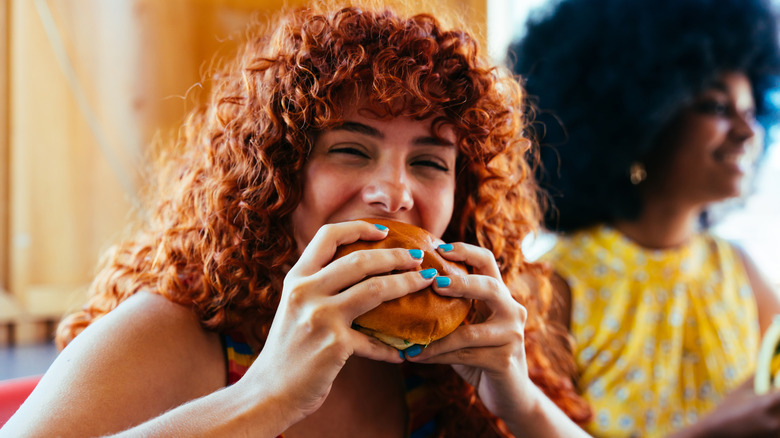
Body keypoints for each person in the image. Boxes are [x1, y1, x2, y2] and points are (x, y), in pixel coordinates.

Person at [1, 3, 592, 437]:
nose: (393, 192)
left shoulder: (452, 358)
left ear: (462, 194)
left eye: (429, 162)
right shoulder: (179, 331)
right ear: (279, 177)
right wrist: (266, 394)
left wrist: (521, 404)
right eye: (351, 150)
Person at [508, 0, 780, 436]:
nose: (748, 132)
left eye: (751, 111)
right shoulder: (554, 288)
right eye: (716, 106)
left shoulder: (740, 272)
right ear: (641, 118)